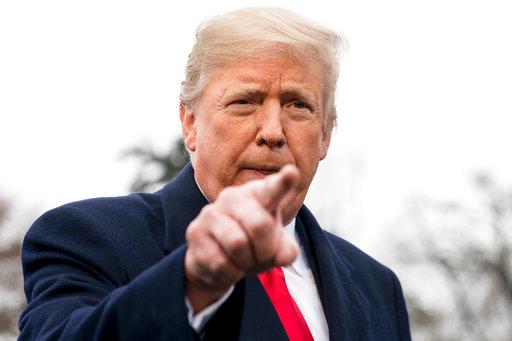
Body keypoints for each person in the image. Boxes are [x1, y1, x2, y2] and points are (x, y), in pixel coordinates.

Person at [18, 7, 411, 341]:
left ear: (325, 135)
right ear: (190, 124)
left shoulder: (378, 287)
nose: (272, 131)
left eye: (298, 105)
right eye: (244, 102)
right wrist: (192, 285)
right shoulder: (86, 238)